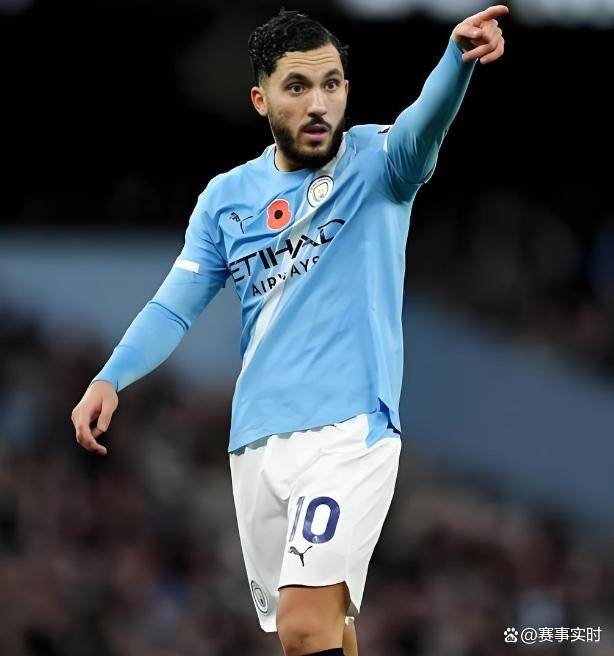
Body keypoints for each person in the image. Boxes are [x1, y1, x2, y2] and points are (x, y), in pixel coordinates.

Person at [71, 6, 507, 655]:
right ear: (262, 99)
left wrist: (456, 59)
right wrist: (111, 376)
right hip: (256, 441)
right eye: (297, 86)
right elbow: (174, 306)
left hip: (348, 430)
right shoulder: (226, 198)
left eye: (330, 85)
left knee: (305, 625)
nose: (317, 103)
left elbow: (425, 123)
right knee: (322, 629)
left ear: (346, 91)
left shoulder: (378, 164)